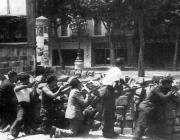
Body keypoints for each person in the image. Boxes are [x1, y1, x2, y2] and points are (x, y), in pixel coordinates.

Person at [132, 76, 176, 140]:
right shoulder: (157, 88)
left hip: (152, 110)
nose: (171, 85)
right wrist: (171, 92)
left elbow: (175, 98)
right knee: (141, 126)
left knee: (152, 127)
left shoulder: (166, 89)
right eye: (170, 83)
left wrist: (174, 92)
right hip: (145, 108)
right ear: (165, 83)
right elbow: (164, 98)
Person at [97, 58, 125, 138]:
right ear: (121, 64)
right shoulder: (118, 71)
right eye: (123, 64)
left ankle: (108, 131)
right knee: (109, 113)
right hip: (108, 91)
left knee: (107, 112)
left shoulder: (112, 70)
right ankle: (108, 134)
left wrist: (125, 84)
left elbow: (121, 80)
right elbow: (115, 83)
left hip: (104, 90)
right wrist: (117, 91)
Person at [8, 73, 35, 139]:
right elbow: (17, 89)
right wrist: (28, 86)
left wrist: (34, 86)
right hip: (21, 105)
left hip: (27, 105)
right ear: (24, 80)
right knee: (19, 118)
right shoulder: (17, 87)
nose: (28, 81)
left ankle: (26, 131)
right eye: (27, 80)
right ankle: (11, 133)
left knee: (27, 119)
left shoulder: (26, 88)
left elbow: (32, 94)